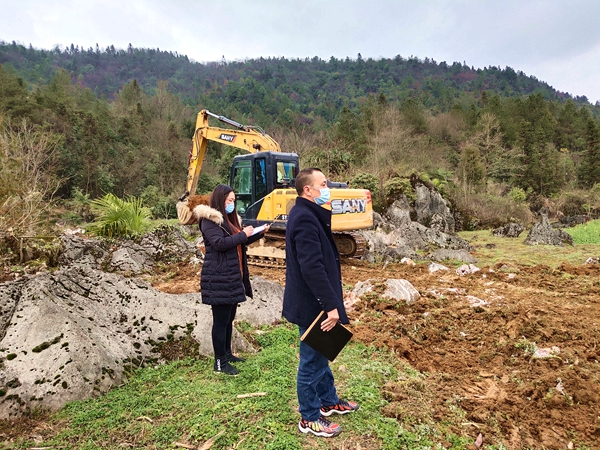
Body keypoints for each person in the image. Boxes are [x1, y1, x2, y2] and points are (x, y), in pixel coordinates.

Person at [282, 168, 359, 438]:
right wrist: (331, 306)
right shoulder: (304, 218)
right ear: (308, 190)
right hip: (313, 305)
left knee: (322, 354)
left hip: (316, 301)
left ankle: (328, 401)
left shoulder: (306, 213)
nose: (327, 188)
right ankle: (310, 417)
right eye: (323, 184)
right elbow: (312, 268)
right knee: (312, 361)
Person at [195, 184, 269, 376]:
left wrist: (258, 233)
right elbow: (220, 244)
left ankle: (227, 354)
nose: (232, 204)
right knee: (220, 321)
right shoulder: (209, 220)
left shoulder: (230, 220)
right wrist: (243, 234)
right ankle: (219, 363)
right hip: (219, 277)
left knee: (229, 319)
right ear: (220, 200)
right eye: (229, 200)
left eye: (234, 201)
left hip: (233, 276)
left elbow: (238, 241)